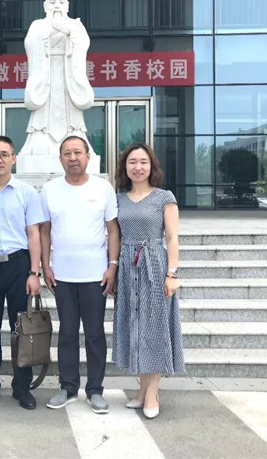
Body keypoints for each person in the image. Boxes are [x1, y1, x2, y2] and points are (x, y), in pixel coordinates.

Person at [40, 136, 119, 413]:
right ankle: (68, 387)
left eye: (77, 152)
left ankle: (95, 390)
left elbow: (113, 229)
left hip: (95, 275)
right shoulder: (50, 190)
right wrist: (45, 266)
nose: (72, 157)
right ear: (60, 158)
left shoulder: (103, 188)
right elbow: (45, 231)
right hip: (62, 275)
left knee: (95, 333)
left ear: (88, 157)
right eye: (66, 153)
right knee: (67, 333)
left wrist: (112, 266)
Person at [0, 136, 45, 410]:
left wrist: (34, 272)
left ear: (14, 158)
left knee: (21, 329)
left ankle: (22, 386)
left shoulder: (27, 193)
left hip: (19, 266)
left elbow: (34, 234)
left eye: (4, 154)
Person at [112, 143, 185, 419]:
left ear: (152, 165)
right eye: (132, 162)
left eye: (143, 162)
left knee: (154, 328)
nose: (138, 167)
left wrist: (172, 273)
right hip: (127, 267)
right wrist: (113, 268)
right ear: (125, 167)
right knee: (135, 328)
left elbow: (172, 237)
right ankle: (142, 391)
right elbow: (115, 236)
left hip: (154, 264)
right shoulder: (119, 199)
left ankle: (152, 393)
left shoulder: (164, 197)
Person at [20, 0, 95, 158]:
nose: (57, 5)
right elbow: (30, 43)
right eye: (52, 2)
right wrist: (45, 34)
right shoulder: (38, 25)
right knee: (43, 115)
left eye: (61, 2)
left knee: (73, 119)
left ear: (67, 5)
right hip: (45, 74)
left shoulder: (75, 25)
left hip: (68, 75)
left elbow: (83, 43)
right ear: (45, 5)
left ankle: (75, 138)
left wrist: (70, 33)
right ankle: (41, 139)